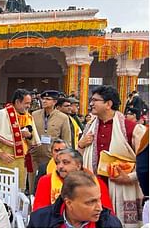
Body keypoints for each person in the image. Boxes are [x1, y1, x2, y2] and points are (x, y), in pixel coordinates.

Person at [78, 85, 146, 227]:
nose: (91, 103)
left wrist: (129, 177)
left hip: (123, 187)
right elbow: (78, 159)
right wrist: (81, 145)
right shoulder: (89, 128)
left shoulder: (131, 128)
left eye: (95, 100)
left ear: (108, 104)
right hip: (95, 187)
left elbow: (147, 161)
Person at [0, 89, 40, 190]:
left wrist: (28, 136)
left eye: (30, 103)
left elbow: (33, 142)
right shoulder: (2, 114)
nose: (28, 106)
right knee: (2, 193)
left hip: (21, 164)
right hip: (3, 163)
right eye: (26, 103)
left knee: (18, 193)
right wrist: (1, 153)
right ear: (18, 102)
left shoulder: (28, 117)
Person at [28, 171, 121, 228]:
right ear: (69, 203)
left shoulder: (110, 223)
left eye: (99, 199)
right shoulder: (40, 221)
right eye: (91, 202)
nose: (99, 208)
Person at [33, 148, 113, 212]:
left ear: (78, 166)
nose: (60, 166)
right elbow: (39, 213)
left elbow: (107, 214)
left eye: (65, 162)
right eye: (57, 163)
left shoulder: (96, 183)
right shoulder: (46, 181)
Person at [31, 90, 71, 194]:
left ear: (54, 102)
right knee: (33, 184)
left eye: (48, 99)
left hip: (51, 158)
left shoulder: (63, 117)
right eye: (43, 99)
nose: (44, 101)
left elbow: (66, 140)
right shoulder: (34, 115)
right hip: (35, 155)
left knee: (50, 185)